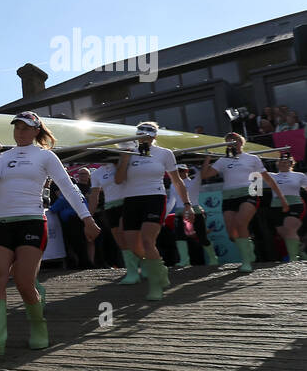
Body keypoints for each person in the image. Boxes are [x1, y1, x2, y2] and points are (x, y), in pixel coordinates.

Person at [0, 113, 99, 359]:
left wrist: (87, 218)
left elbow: (67, 187)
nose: (20, 132)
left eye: (25, 128)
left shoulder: (45, 155)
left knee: (24, 282)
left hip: (31, 222)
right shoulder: (3, 156)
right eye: (17, 127)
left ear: (36, 130)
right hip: (1, 223)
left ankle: (39, 327)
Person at [114, 122, 194, 300]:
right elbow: (118, 180)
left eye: (149, 134)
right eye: (140, 133)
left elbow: (177, 181)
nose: (144, 137)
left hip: (154, 197)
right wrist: (125, 157)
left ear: (155, 136)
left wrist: (187, 204)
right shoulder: (128, 151)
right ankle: (159, 268)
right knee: (134, 246)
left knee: (148, 240)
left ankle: (155, 285)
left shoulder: (164, 153)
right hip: (131, 199)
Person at [201, 133, 288, 272]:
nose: (232, 143)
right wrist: (207, 159)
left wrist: (281, 198)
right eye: (229, 141)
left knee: (241, 223)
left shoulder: (252, 158)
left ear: (241, 142)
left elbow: (267, 179)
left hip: (248, 193)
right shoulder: (223, 161)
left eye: (235, 140)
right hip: (229, 196)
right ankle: (248, 247)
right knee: (231, 233)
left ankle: (246, 261)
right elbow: (204, 176)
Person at [90, 161, 133, 280]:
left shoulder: (122, 165)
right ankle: (132, 270)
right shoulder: (96, 174)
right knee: (119, 240)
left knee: (124, 233)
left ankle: (142, 265)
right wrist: (89, 216)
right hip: (109, 207)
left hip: (126, 204)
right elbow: (94, 196)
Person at [268, 152, 307, 261]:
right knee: (284, 233)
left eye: (286, 162)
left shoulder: (299, 175)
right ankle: (300, 251)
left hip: (294, 203)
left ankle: (293, 259)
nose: (283, 164)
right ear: (277, 164)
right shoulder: (271, 175)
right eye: (281, 162)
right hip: (276, 205)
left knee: (290, 228)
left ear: (291, 164)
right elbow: (254, 179)